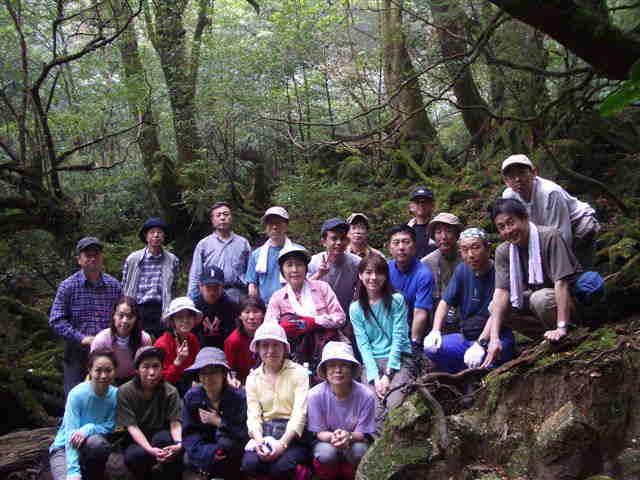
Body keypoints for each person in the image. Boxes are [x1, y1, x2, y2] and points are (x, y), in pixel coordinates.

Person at [488, 198, 582, 354]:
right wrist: (494, 338)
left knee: (540, 299)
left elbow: (562, 283)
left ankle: (568, 331)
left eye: (511, 223)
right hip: (537, 300)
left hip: (569, 299)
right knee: (495, 306)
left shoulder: (549, 237)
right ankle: (544, 337)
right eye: (501, 227)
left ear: (525, 218)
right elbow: (501, 292)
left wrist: (561, 327)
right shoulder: (504, 251)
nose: (508, 230)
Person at [424, 228, 517, 374]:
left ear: (487, 249)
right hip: (466, 337)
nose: (470, 255)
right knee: (433, 349)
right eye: (465, 249)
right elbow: (445, 302)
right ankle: (462, 375)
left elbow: (497, 311)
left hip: (496, 337)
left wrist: (481, 343)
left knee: (494, 355)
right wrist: (435, 330)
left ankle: (478, 375)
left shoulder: (499, 272)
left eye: (476, 247)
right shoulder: (462, 270)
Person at [50, 236, 122, 396]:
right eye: (88, 255)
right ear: (79, 260)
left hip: (106, 351)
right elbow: (56, 320)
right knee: (74, 396)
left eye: (96, 254)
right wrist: (81, 338)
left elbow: (123, 316)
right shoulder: (68, 286)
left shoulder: (114, 286)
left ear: (102, 258)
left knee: (109, 396)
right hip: (76, 352)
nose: (93, 258)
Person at [501, 154, 600, 268]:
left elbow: (562, 235)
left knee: (576, 268)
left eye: (521, 173)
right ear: (506, 181)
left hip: (578, 225)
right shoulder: (509, 196)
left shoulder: (550, 193)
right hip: (546, 229)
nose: (517, 179)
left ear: (534, 173)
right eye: (511, 176)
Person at [241, 322, 310, 479]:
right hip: (266, 432)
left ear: (284, 348)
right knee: (249, 464)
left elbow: (300, 413)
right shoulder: (253, 378)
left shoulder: (299, 373)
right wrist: (259, 441)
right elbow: (253, 415)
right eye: (265, 345)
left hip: (292, 435)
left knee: (280, 468)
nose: (270, 351)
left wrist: (283, 444)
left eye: (276, 345)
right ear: (258, 349)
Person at [350, 254, 412, 424]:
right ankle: (384, 442)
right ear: (360, 275)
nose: (373, 277)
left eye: (378, 273)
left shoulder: (397, 301)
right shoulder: (355, 308)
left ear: (385, 276)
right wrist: (375, 378)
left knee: (394, 404)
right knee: (372, 408)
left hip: (398, 359)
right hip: (372, 362)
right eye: (368, 272)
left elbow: (399, 338)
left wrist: (387, 375)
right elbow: (363, 345)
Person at [266, 245, 347, 375]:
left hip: (326, 348)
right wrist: (287, 327)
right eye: (289, 265)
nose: (294, 270)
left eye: (299, 265)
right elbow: (269, 328)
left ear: (306, 268)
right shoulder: (277, 297)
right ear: (282, 271)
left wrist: (314, 322)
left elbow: (340, 318)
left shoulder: (322, 288)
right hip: (293, 353)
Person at [308, 342, 375, 480]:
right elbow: (319, 432)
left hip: (355, 440)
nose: (338, 370)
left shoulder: (366, 395)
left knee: (359, 451)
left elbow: (361, 432)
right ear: (325, 369)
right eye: (332, 365)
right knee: (326, 454)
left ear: (351, 368)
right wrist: (335, 437)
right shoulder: (315, 395)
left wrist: (348, 436)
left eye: (344, 365)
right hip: (326, 441)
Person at [49, 349, 118, 480]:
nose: (103, 375)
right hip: (64, 448)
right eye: (98, 370)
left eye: (108, 370)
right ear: (90, 370)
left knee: (98, 444)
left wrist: (89, 428)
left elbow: (110, 426)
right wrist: (73, 471)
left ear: (115, 371)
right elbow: (70, 433)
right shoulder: (77, 394)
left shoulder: (116, 395)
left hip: (90, 446)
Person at [118, 346, 184, 479]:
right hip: (137, 438)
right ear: (137, 370)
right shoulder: (125, 391)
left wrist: (179, 443)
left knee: (166, 442)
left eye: (156, 366)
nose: (152, 372)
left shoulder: (170, 391)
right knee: (134, 456)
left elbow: (175, 422)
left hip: (161, 434)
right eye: (145, 367)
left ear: (162, 368)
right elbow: (132, 426)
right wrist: (149, 449)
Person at [182, 348, 248, 479]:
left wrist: (219, 422)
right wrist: (208, 453)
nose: (208, 378)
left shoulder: (239, 398)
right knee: (187, 458)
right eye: (203, 373)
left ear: (223, 374)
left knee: (227, 445)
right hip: (205, 448)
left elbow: (244, 433)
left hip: (231, 449)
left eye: (213, 372)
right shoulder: (192, 397)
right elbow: (189, 432)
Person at [122, 217, 180, 339]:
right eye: (152, 232)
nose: (156, 235)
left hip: (161, 308)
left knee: (162, 342)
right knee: (137, 342)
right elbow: (125, 284)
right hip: (138, 308)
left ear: (164, 236)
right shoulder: (133, 259)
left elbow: (174, 287)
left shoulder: (172, 260)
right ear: (146, 236)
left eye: (159, 232)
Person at [188, 201, 251, 303]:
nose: (222, 218)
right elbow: (196, 274)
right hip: (211, 293)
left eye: (226, 214)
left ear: (231, 218)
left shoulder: (243, 243)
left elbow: (250, 272)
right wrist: (192, 300)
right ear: (212, 220)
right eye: (218, 215)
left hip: (238, 293)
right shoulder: (204, 244)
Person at [387, 225, 434, 357]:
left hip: (411, 327)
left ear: (414, 246)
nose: (401, 247)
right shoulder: (385, 269)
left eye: (406, 242)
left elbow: (420, 312)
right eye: (396, 243)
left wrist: (414, 343)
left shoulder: (423, 274)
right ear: (390, 248)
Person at [246, 206, 304, 305]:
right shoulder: (256, 254)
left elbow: (306, 281)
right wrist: (255, 306)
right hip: (266, 306)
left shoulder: (298, 251)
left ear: (286, 226)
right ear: (265, 227)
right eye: (270, 223)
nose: (274, 227)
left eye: (278, 223)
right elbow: (252, 284)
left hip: (293, 304)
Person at [91, 296, 153, 384]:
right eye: (121, 315)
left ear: (136, 319)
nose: (125, 321)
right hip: (106, 381)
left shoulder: (144, 339)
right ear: (114, 316)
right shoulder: (101, 340)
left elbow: (147, 368)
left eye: (130, 316)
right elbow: (94, 370)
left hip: (134, 382)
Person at [308, 218, 361, 316]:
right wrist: (318, 274)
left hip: (347, 316)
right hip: (319, 318)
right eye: (334, 238)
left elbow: (360, 290)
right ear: (324, 241)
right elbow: (300, 290)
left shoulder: (356, 263)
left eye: (342, 238)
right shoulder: (312, 263)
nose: (339, 242)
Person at [421, 213, 463, 332]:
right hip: (438, 321)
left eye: (449, 231)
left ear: (457, 234)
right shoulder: (426, 263)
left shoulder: (468, 258)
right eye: (438, 232)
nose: (443, 237)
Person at [154, 297, 202, 395]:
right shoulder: (162, 344)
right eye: (180, 317)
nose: (185, 320)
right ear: (172, 321)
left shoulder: (193, 339)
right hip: (168, 392)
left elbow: (196, 367)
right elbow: (160, 380)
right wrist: (178, 362)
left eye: (189, 316)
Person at [191, 266, 237, 350]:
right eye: (208, 287)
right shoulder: (193, 307)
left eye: (216, 287)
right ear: (200, 287)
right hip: (199, 350)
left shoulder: (231, 307)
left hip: (224, 349)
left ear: (222, 287)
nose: (212, 292)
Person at [224, 296, 266, 384]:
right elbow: (230, 370)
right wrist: (233, 381)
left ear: (263, 314)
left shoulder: (269, 336)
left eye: (256, 312)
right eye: (247, 312)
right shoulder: (233, 341)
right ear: (240, 315)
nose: (251, 317)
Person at [407, 186, 437, 259]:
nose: (421, 204)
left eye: (425, 201)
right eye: (417, 202)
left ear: (432, 205)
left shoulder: (439, 227)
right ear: (411, 206)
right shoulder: (406, 230)